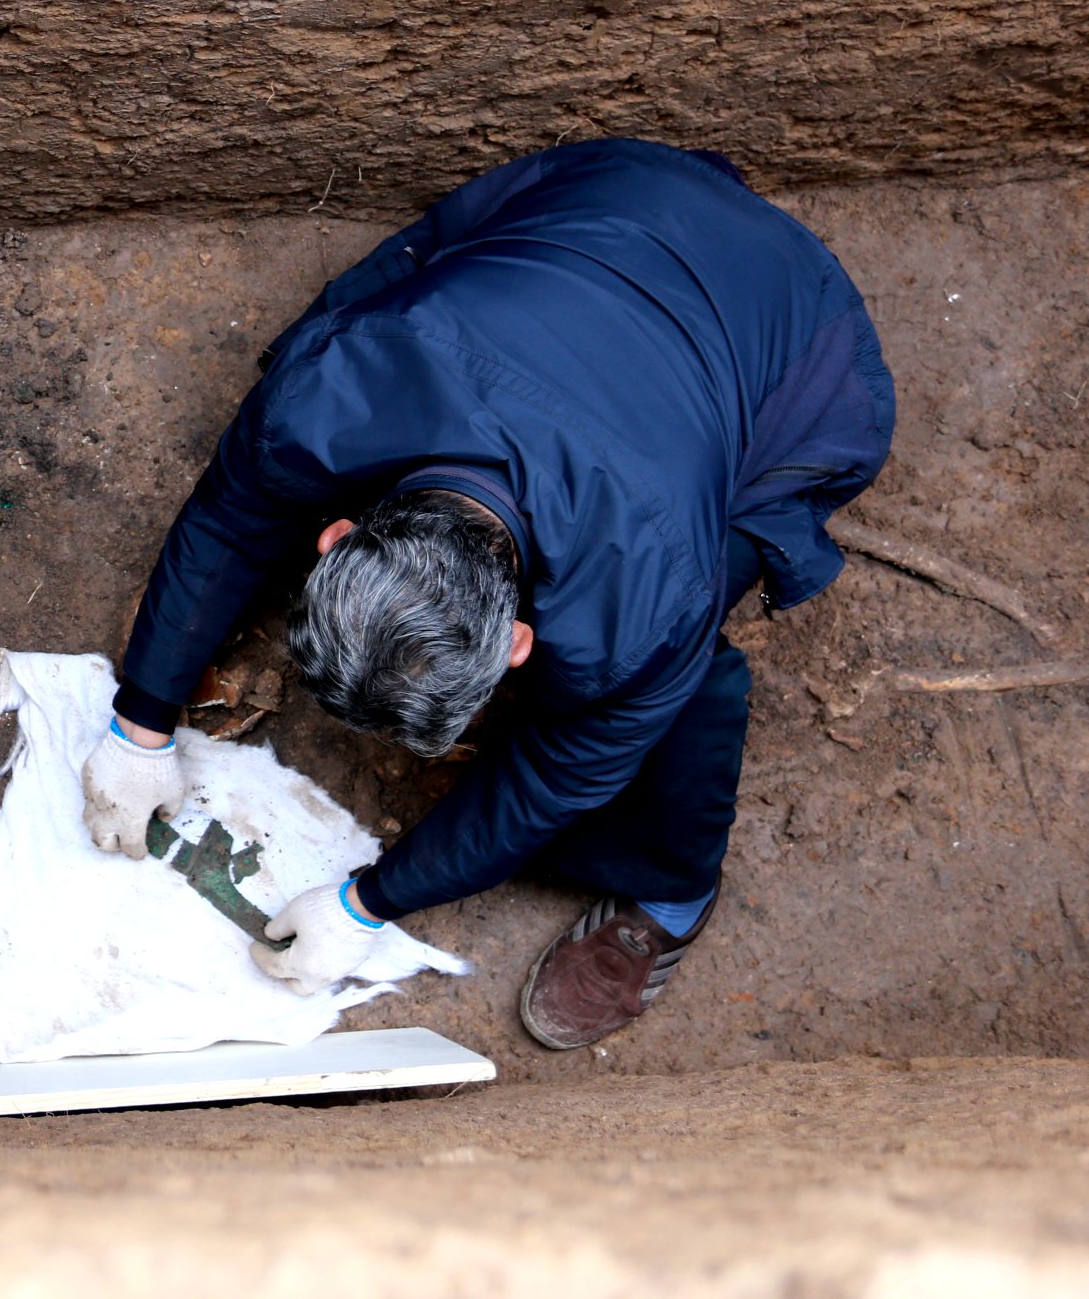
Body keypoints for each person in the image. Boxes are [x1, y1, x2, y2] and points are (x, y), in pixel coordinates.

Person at [79, 138, 895, 1049]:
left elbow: (553, 778)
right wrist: (138, 722)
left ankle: (672, 888)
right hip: (623, 194)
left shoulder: (650, 588)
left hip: (799, 350)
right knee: (300, 405)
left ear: (517, 642)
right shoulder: (327, 391)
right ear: (339, 537)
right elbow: (227, 523)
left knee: (668, 689)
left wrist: (371, 901)